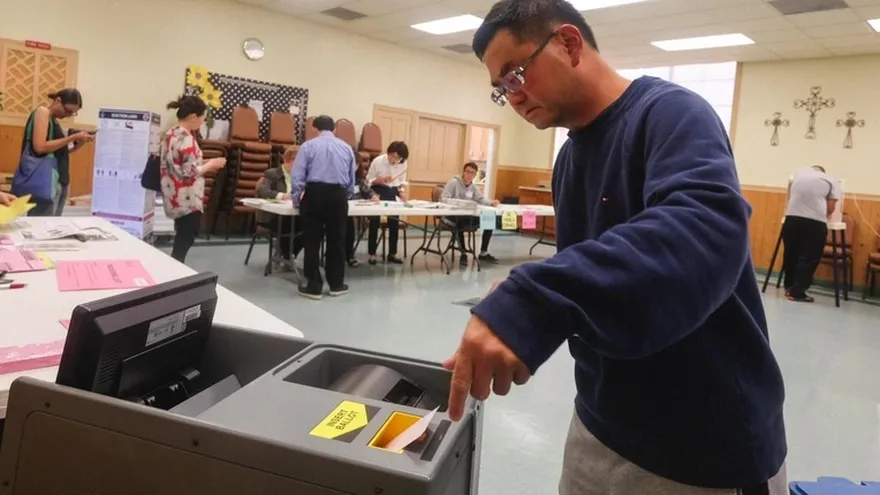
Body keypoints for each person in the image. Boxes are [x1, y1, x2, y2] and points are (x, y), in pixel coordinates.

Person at [444, 2, 788, 495]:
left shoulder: (671, 113)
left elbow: (702, 233)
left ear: (569, 43)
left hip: (704, 446)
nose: (513, 98)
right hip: (598, 426)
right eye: (502, 90)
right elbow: (605, 272)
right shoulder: (568, 159)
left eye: (515, 74)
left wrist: (538, 298)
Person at [291, 115, 356, 300]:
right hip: (338, 195)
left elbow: (298, 175)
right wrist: (346, 195)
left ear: (314, 128)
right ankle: (336, 284)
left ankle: (314, 286)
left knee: (312, 240)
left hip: (315, 193)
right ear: (334, 130)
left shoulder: (308, 146)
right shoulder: (346, 148)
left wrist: (297, 199)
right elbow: (351, 179)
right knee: (337, 240)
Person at [159, 95, 226, 264]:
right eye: (202, 118)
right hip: (187, 197)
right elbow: (190, 172)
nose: (202, 122)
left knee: (181, 236)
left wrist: (203, 162)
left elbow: (177, 163)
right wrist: (211, 164)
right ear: (193, 117)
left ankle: (174, 269)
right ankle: (174, 272)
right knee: (184, 240)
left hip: (172, 192)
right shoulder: (186, 138)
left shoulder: (170, 134)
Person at [18, 89, 93, 216]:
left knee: (52, 227)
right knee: (42, 228)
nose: (68, 115)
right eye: (68, 111)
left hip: (58, 179)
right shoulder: (43, 112)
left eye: (73, 113)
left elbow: (56, 152)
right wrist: (72, 138)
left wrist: (79, 143)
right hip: (45, 181)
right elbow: (40, 147)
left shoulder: (54, 120)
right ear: (58, 101)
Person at [782, 165, 840, 303]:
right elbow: (831, 208)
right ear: (823, 172)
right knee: (808, 257)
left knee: (791, 254)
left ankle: (788, 287)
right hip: (815, 222)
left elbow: (790, 197)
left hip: (791, 219)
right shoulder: (831, 180)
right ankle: (797, 292)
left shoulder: (797, 175)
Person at [441, 162, 501, 266]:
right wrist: (457, 203)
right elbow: (443, 198)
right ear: (463, 172)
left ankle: (483, 252)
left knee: (489, 218)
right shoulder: (453, 182)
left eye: (473, 173)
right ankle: (463, 253)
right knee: (459, 224)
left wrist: (491, 203)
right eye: (468, 172)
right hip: (451, 215)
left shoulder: (473, 187)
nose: (469, 174)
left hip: (467, 216)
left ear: (475, 175)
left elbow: (480, 198)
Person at [256, 146, 304, 270]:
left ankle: (287, 253)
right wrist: (283, 196)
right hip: (274, 216)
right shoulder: (272, 174)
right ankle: (286, 254)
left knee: (313, 228)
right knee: (287, 226)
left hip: (296, 214)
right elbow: (263, 191)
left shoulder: (302, 176)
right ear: (288, 161)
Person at [365, 141, 409, 265]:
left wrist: (401, 191)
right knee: (374, 221)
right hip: (378, 190)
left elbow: (401, 181)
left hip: (393, 192)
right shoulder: (378, 161)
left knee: (394, 221)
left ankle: (392, 253)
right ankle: (372, 254)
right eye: (393, 156)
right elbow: (369, 180)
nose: (395, 160)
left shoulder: (403, 163)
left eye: (398, 158)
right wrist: (381, 180)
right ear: (389, 152)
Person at [346, 151, 379, 267]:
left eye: (356, 164)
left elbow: (367, 190)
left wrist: (373, 196)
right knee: (347, 225)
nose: (354, 167)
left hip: (353, 212)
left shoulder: (358, 179)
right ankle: (343, 255)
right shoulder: (338, 177)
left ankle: (349, 255)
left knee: (351, 226)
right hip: (339, 211)